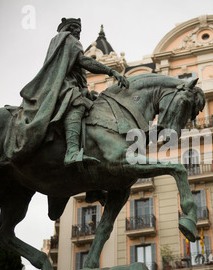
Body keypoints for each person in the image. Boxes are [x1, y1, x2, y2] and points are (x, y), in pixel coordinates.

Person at [8, 18, 129, 167]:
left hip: (60, 85)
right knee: (76, 103)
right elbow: (84, 61)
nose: (77, 31)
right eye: (74, 27)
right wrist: (111, 71)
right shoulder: (69, 40)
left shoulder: (58, 42)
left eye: (79, 28)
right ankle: (72, 152)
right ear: (67, 28)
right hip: (64, 86)